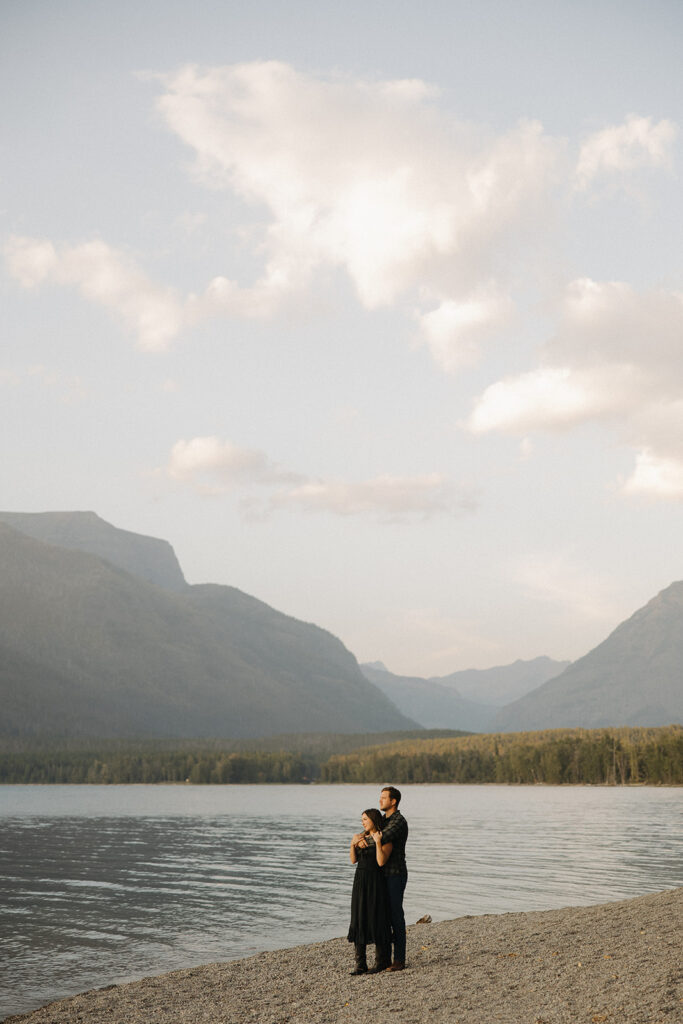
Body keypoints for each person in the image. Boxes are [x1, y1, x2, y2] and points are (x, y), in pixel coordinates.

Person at [347, 808, 392, 975]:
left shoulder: (384, 837)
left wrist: (378, 842)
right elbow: (353, 860)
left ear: (373, 819)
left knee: (376, 917)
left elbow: (381, 862)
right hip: (360, 880)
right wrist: (352, 843)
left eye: (365, 819)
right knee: (358, 917)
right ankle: (360, 964)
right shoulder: (360, 837)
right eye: (362, 820)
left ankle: (381, 961)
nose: (363, 822)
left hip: (375, 881)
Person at [378, 785, 408, 971]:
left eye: (383, 797)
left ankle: (399, 960)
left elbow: (382, 836)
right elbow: (373, 833)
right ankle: (384, 959)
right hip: (383, 875)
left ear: (393, 801)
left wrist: (368, 838)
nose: (380, 800)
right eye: (380, 797)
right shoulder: (383, 819)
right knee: (384, 916)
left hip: (396, 874)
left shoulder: (398, 821)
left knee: (396, 916)